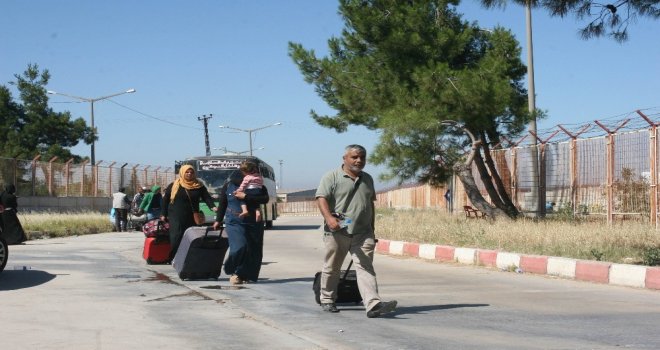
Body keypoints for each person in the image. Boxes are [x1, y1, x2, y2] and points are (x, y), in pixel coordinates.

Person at [315, 144, 397, 318]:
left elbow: (370, 205)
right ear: (344, 158)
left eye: (362, 157)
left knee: (365, 267)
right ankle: (328, 299)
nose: (359, 161)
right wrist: (329, 219)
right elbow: (321, 198)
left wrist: (372, 230)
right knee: (332, 266)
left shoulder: (367, 179)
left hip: (363, 232)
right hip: (338, 231)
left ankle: (373, 304)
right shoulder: (331, 176)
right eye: (354, 157)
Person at [213, 166, 269, 285]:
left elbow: (265, 199)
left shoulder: (257, 185)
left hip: (253, 221)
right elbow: (223, 203)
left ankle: (242, 274)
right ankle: (230, 267)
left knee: (253, 251)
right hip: (234, 220)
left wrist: (246, 197)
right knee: (239, 247)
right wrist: (218, 220)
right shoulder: (229, 186)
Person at [161, 164, 217, 261]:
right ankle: (173, 257)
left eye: (191, 172)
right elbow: (166, 200)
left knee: (191, 236)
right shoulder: (174, 185)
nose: (189, 174)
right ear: (182, 173)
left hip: (192, 215)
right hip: (176, 215)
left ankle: (187, 256)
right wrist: (163, 214)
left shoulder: (199, 185)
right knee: (177, 236)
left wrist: (213, 207)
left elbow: (207, 197)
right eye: (187, 172)